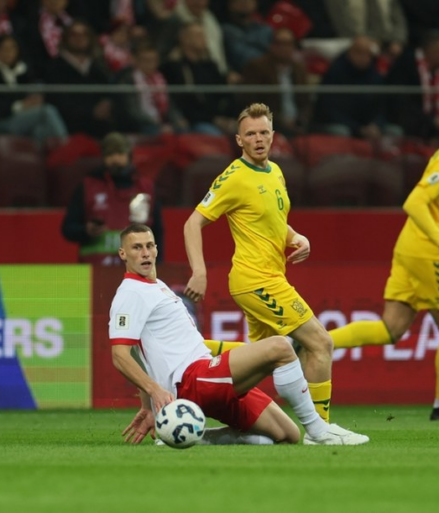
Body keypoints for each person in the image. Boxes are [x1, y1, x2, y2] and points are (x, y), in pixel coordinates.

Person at [111, 224, 369, 446]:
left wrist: (146, 406)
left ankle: (199, 436)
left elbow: (141, 353)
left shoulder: (155, 286)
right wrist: (154, 391)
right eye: (136, 248)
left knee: (286, 434)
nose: (145, 253)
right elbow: (120, 355)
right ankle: (319, 431)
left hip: (207, 378)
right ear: (123, 253)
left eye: (149, 246)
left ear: (156, 249)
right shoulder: (131, 293)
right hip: (190, 381)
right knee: (280, 347)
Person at [328, 102, 439, 422]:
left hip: (411, 246)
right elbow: (415, 202)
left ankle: (313, 342)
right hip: (427, 252)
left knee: (390, 329)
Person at [182, 103, 340, 424]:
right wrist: (199, 271)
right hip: (256, 280)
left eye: (264, 132)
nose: (258, 139)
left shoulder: (275, 171)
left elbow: (275, 221)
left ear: (273, 135)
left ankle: (185, 357)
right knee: (320, 342)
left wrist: (297, 237)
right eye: (251, 134)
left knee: (263, 359)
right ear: (239, 140)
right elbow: (192, 223)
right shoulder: (234, 178)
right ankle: (321, 429)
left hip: (269, 276)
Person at [61, 132, 164, 266]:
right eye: (110, 154)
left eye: (120, 153)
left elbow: (157, 231)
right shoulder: (87, 187)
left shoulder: (146, 188)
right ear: (103, 157)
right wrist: (85, 231)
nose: (115, 159)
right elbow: (68, 228)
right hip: (95, 269)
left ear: (129, 155)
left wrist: (158, 265)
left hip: (136, 270)